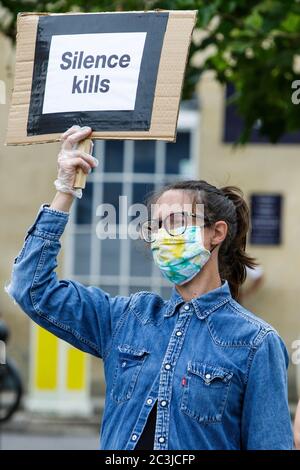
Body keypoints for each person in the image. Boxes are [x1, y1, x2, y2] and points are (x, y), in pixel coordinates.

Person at [6, 125, 293, 450]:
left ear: (217, 233)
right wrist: (65, 189)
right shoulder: (126, 318)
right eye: (155, 225)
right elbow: (30, 288)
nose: (162, 235)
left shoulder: (255, 342)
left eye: (176, 221)